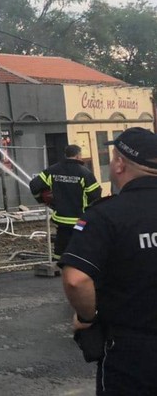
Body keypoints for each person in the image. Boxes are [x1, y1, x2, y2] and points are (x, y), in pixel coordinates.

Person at [59, 127, 157, 394]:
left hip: (132, 351)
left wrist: (87, 317)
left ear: (119, 164)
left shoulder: (105, 215)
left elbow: (76, 279)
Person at [29, 144, 101, 261]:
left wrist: (43, 200)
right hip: (80, 220)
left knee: (61, 242)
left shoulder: (53, 170)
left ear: (65, 155)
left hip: (61, 218)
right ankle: (78, 262)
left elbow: (34, 185)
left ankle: (59, 263)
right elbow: (95, 195)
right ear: (78, 155)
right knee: (79, 240)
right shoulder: (85, 173)